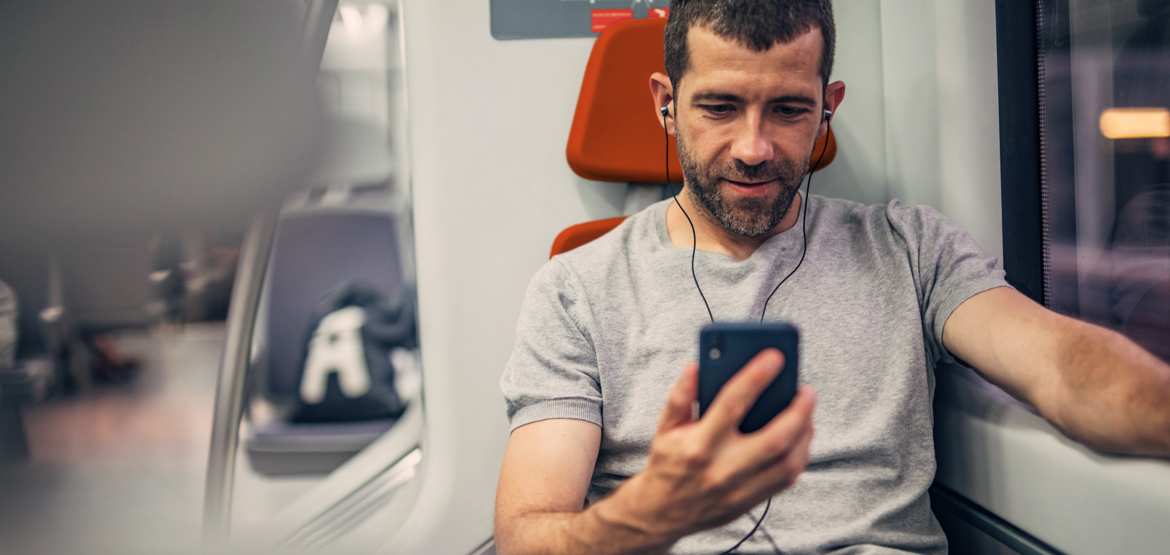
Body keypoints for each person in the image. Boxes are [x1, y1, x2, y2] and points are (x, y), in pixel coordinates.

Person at [494, 1, 1170, 553]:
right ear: (666, 103)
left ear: (828, 105)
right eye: (720, 107)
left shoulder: (910, 247)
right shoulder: (576, 289)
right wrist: (649, 514)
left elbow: (1059, 363)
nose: (754, 148)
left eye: (787, 109)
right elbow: (526, 534)